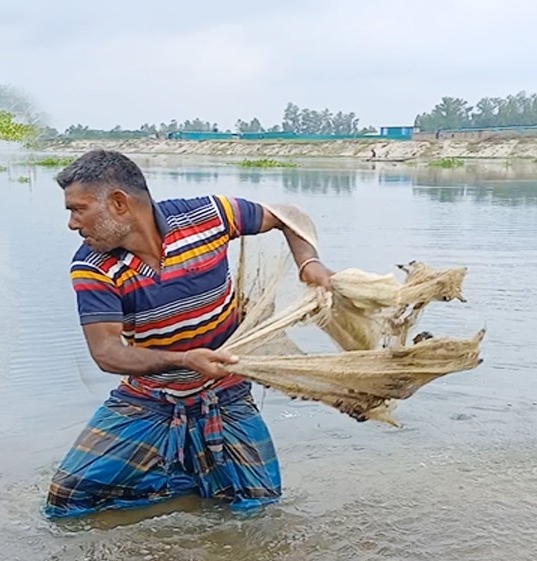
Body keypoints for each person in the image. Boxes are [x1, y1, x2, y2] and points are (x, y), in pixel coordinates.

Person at [43, 149, 334, 520]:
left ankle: (185, 479)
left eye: (78, 209)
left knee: (259, 505)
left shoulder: (207, 217)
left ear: (118, 203)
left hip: (224, 395)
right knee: (66, 500)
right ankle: (182, 483)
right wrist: (184, 360)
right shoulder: (92, 265)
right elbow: (106, 353)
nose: (71, 223)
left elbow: (289, 216)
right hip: (149, 399)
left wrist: (309, 263)